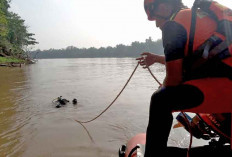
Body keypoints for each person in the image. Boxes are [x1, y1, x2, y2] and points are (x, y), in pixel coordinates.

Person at [136, 0, 232, 156]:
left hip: (227, 90)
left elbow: (173, 80)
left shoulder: (173, 24)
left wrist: (164, 87)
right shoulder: (199, 17)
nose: (156, 24)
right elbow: (194, 59)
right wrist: (155, 58)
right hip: (226, 80)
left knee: (160, 100)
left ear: (164, 6)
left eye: (154, 17)